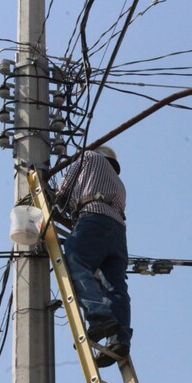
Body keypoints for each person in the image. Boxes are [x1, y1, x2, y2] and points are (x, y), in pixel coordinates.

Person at [57, 146, 131, 368]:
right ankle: (119, 341)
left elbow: (62, 193)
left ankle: (99, 317)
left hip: (93, 217)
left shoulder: (88, 157)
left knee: (74, 261)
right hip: (118, 231)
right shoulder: (120, 184)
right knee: (115, 287)